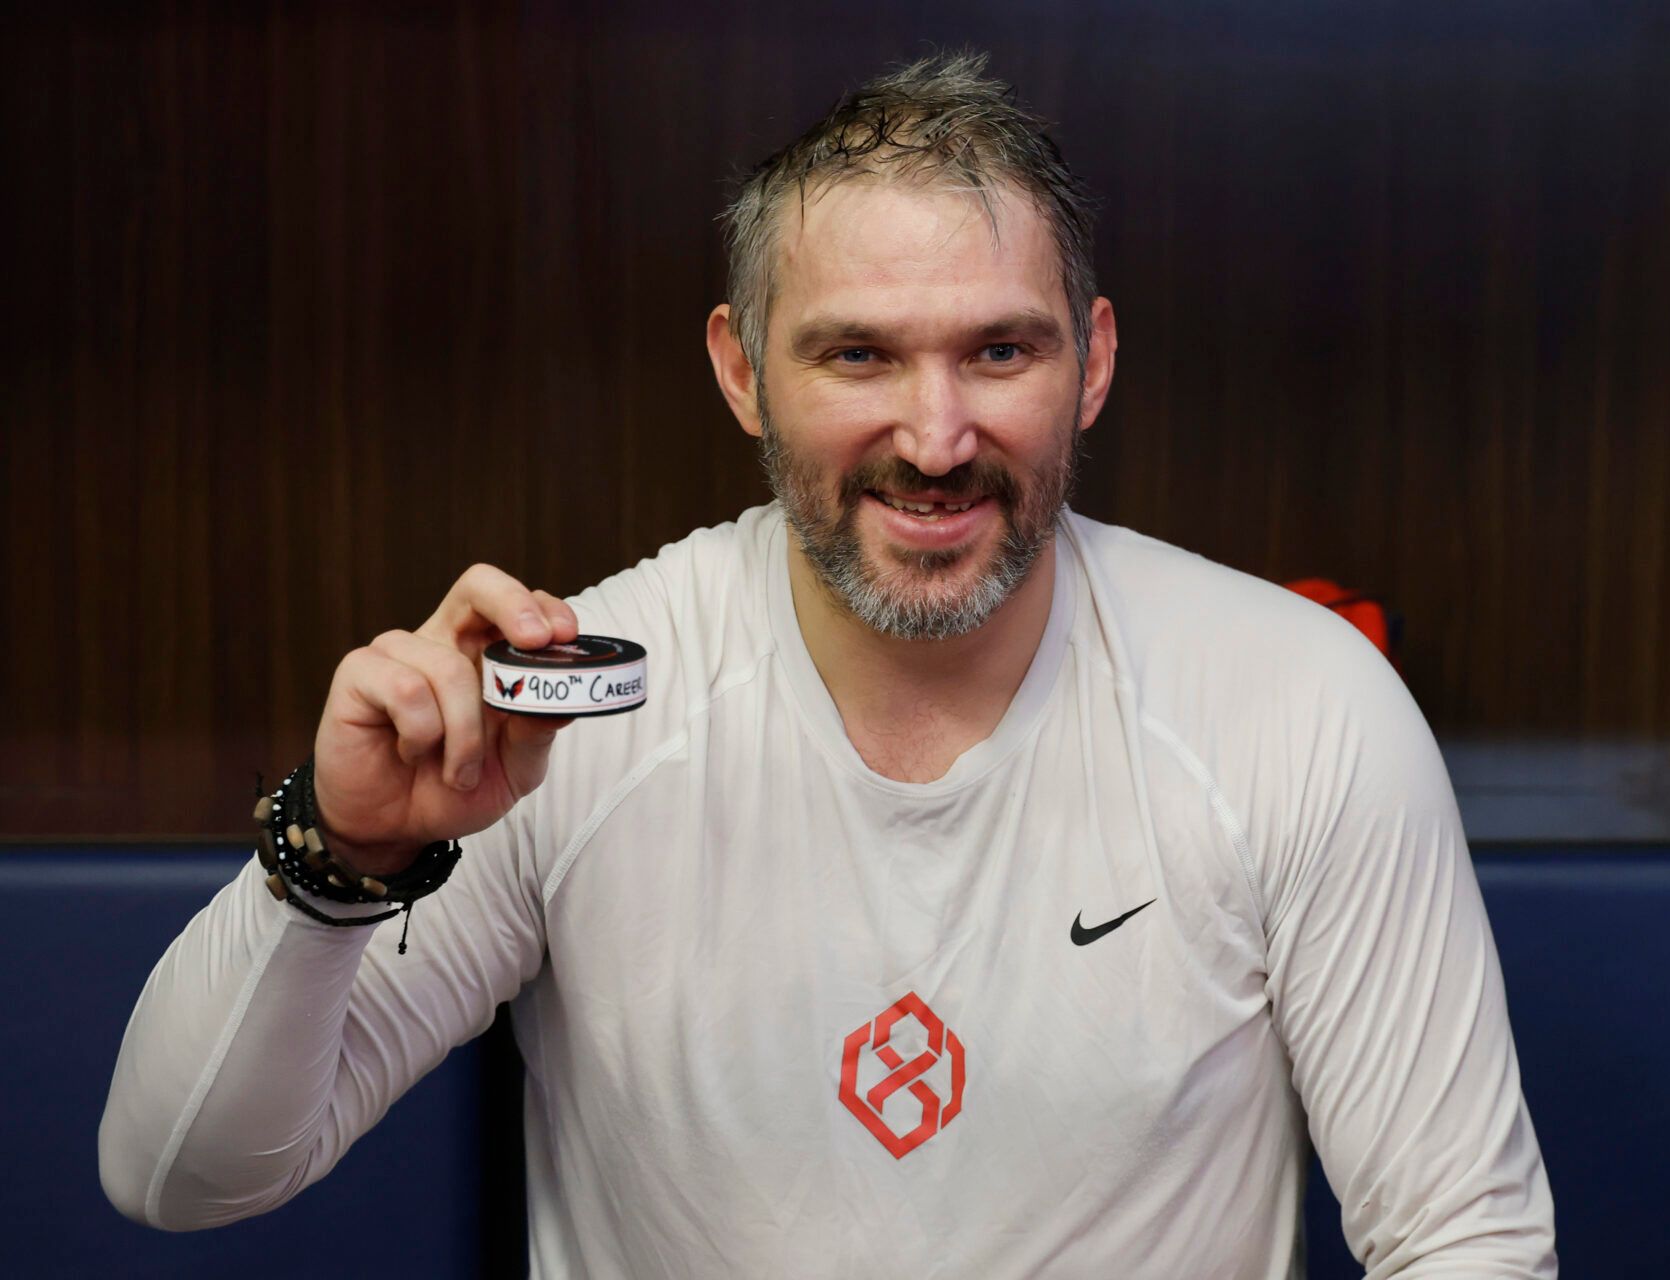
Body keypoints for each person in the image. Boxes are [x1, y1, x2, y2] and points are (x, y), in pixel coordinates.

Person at [100, 51, 1556, 1277]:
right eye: (858, 357)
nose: (935, 439)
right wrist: (338, 854)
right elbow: (182, 1176)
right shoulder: (582, 712)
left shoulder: (1292, 702)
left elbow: (1464, 1236)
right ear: (743, 372)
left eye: (1000, 352)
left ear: (1093, 362)